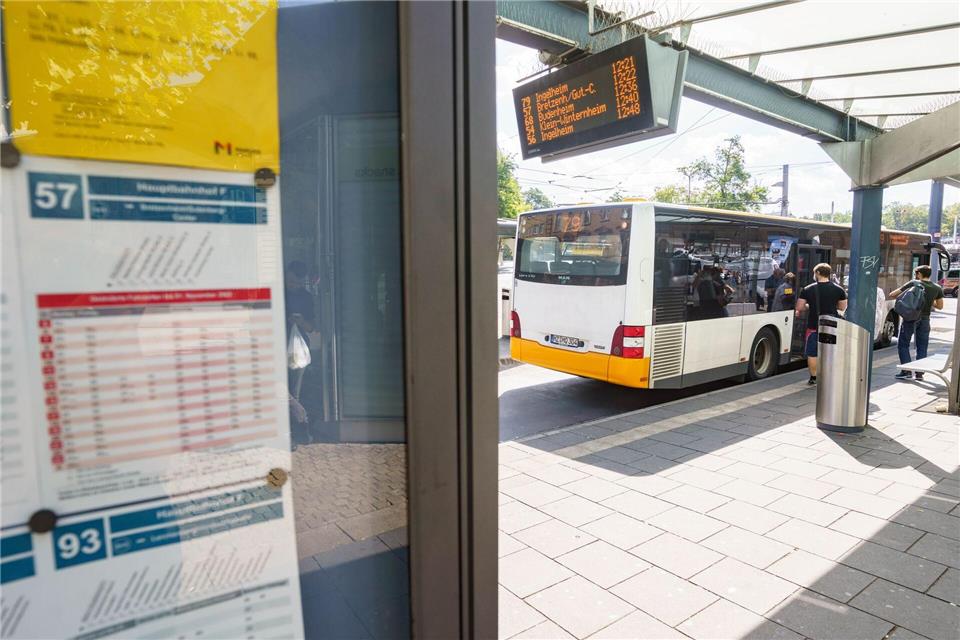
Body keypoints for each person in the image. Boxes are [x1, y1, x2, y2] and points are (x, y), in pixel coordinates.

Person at [795, 263, 847, 385]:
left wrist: (810, 306)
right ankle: (828, 376)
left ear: (817, 273)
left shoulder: (808, 289)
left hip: (814, 325)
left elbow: (799, 307)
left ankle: (813, 377)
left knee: (812, 353)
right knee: (830, 351)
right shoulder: (839, 289)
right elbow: (842, 307)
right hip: (831, 326)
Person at [890, 265, 944, 380]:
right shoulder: (937, 288)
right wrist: (928, 300)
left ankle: (907, 371)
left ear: (919, 274)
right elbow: (940, 306)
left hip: (910, 318)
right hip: (925, 320)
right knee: (922, 347)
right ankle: (919, 374)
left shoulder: (914, 283)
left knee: (903, 344)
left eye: (916, 274)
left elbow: (893, 295)